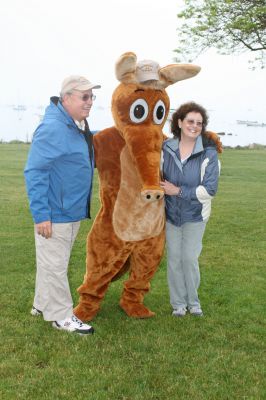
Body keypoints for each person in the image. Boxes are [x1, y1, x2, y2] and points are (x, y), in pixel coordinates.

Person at [24, 75, 101, 335]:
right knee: (56, 265)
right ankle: (61, 317)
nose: (90, 102)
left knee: (51, 262)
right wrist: (41, 215)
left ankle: (41, 304)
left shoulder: (74, 124)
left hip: (70, 210)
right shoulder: (54, 127)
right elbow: (35, 172)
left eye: (92, 96)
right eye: (85, 96)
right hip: (56, 213)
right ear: (67, 97)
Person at [160, 102, 220, 317]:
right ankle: (178, 305)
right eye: (190, 121)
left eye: (199, 123)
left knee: (189, 258)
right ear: (179, 122)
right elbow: (157, 177)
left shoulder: (209, 154)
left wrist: (178, 191)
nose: (194, 126)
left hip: (195, 215)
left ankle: (193, 303)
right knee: (174, 259)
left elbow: (210, 190)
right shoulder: (166, 148)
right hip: (171, 215)